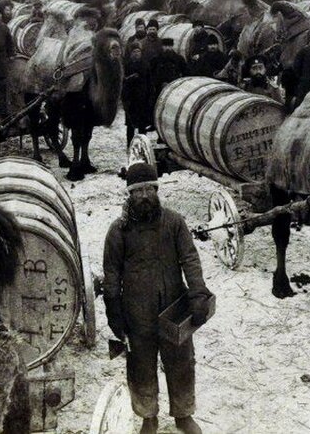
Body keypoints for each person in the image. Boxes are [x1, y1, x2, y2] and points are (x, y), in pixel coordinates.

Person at [103, 163, 213, 434]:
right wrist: (113, 310)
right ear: (129, 194)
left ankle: (183, 413)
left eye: (149, 189)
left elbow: (190, 259)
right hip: (136, 311)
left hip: (174, 308)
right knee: (141, 364)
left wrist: (198, 292)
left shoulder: (174, 222)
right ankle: (147, 416)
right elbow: (111, 273)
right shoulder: (118, 231)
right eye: (137, 191)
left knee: (181, 362)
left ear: (156, 190)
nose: (144, 196)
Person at [122, 42, 154, 148]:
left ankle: (142, 144)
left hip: (143, 99)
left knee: (142, 125)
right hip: (131, 100)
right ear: (131, 53)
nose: (136, 53)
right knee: (130, 126)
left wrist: (150, 98)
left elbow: (150, 83)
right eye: (134, 51)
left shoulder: (146, 65)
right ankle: (129, 144)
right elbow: (122, 83)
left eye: (138, 51)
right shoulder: (126, 65)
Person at [150, 38, 188, 109]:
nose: (167, 48)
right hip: (159, 89)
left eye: (169, 46)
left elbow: (186, 74)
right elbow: (151, 75)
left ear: (172, 46)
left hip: (175, 89)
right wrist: (159, 83)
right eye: (165, 46)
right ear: (162, 47)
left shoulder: (179, 59)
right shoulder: (156, 60)